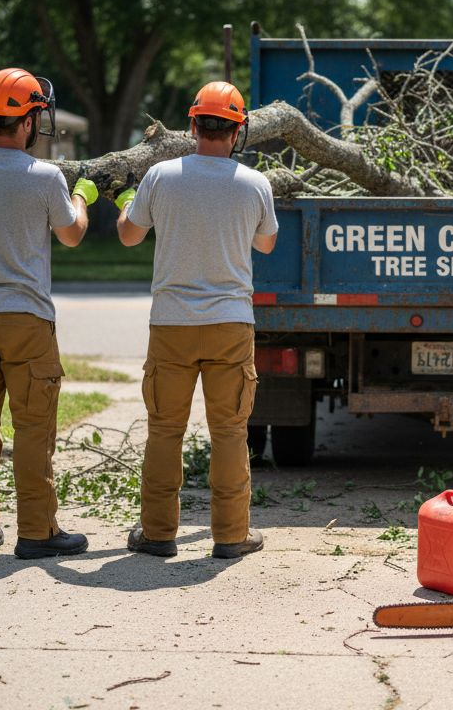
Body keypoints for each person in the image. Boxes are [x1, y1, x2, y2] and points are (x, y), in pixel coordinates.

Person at [114, 80, 278, 559]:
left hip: (171, 323)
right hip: (230, 323)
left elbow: (128, 236)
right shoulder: (255, 183)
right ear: (237, 131)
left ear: (192, 125)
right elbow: (266, 243)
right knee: (229, 431)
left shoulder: (161, 176)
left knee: (165, 430)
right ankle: (231, 536)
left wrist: (126, 204)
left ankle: (158, 533)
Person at [0, 67, 101, 559]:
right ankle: (36, 530)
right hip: (26, 318)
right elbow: (72, 234)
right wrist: (83, 196)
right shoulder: (45, 176)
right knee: (32, 429)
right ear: (31, 119)